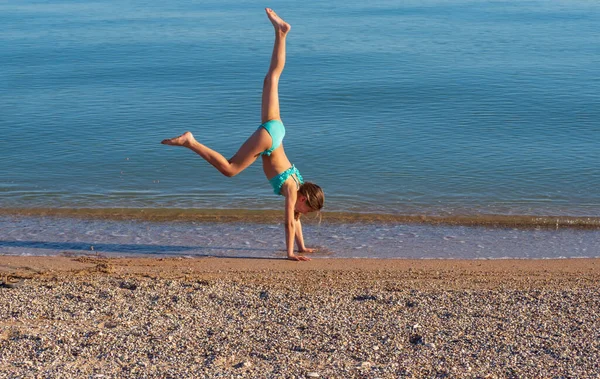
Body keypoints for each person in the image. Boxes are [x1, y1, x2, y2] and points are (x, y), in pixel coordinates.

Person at [162, 8, 324, 261]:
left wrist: (303, 247)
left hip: (277, 130)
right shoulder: (293, 190)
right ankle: (190, 141)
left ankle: (281, 33)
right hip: (270, 140)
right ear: (303, 198)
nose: (302, 212)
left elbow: (296, 218)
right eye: (306, 208)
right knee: (229, 169)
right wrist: (291, 253)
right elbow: (288, 223)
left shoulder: (298, 183)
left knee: (272, 78)